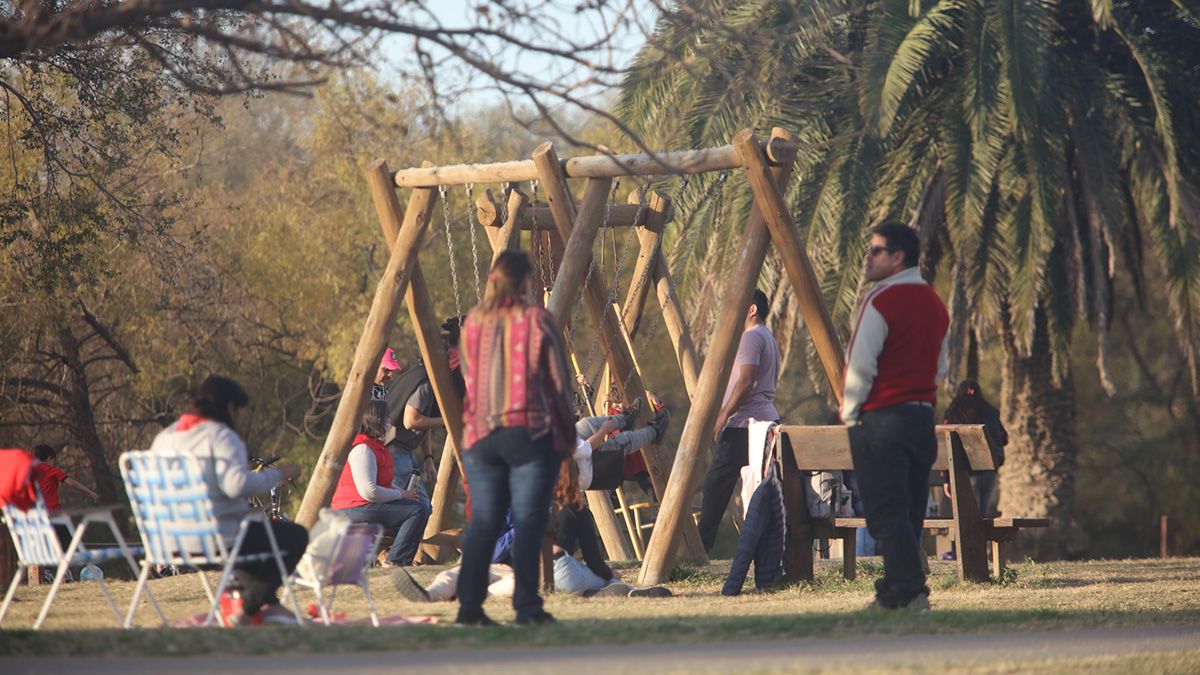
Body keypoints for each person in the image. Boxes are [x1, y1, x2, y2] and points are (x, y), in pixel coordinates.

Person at [456, 250, 574, 626]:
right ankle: (526, 605)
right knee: (528, 520)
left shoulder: (473, 322)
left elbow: (471, 379)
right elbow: (559, 386)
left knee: (484, 522)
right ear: (525, 282)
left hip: (481, 435)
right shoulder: (538, 321)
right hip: (529, 432)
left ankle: (470, 608)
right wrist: (567, 439)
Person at [842, 221, 949, 612]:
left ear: (897, 257)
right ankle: (894, 595)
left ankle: (913, 592)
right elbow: (941, 367)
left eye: (875, 250)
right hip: (922, 418)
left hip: (881, 418)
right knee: (909, 510)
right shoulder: (936, 305)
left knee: (884, 511)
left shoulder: (881, 300)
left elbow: (860, 366)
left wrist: (851, 415)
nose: (867, 258)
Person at [149, 376, 307, 625]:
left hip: (168, 543)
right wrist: (277, 474)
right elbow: (237, 485)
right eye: (239, 411)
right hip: (216, 539)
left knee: (258, 540)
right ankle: (249, 609)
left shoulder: (164, 438)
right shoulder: (220, 436)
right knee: (295, 536)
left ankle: (270, 606)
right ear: (231, 407)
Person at [697, 288, 782, 552]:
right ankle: (764, 548)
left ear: (752, 309)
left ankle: (700, 547)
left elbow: (746, 381)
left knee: (715, 486)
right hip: (764, 423)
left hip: (744, 425)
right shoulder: (766, 336)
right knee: (756, 490)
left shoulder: (751, 337)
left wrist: (723, 415)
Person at [331, 400, 432, 567]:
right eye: (386, 419)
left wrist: (405, 494)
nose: (389, 424)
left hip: (363, 506)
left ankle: (394, 558)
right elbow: (369, 492)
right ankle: (396, 562)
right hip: (353, 509)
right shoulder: (362, 449)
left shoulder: (376, 447)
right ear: (375, 421)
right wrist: (401, 494)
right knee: (417, 510)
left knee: (417, 506)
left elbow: (382, 485)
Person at [383, 319, 463, 505]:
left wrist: (428, 457)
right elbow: (411, 420)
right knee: (420, 507)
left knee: (416, 507)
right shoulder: (425, 382)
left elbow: (422, 421)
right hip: (395, 452)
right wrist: (446, 420)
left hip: (401, 451)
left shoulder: (415, 375)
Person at [571, 396, 670, 491]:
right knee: (616, 445)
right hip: (586, 473)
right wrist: (604, 429)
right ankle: (655, 431)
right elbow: (588, 447)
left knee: (584, 425)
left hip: (573, 460)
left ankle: (625, 419)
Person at [941, 379, 1008, 517]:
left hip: (966, 473)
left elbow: (947, 445)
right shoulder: (990, 412)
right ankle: (983, 538)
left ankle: (974, 538)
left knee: (970, 518)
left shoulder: (953, 413)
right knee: (982, 517)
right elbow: (1004, 438)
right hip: (989, 471)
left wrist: (946, 479)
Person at [30, 445, 99, 511]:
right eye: (53, 461)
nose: (53, 463)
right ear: (49, 459)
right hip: (52, 510)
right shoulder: (52, 470)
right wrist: (89, 492)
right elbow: (71, 483)